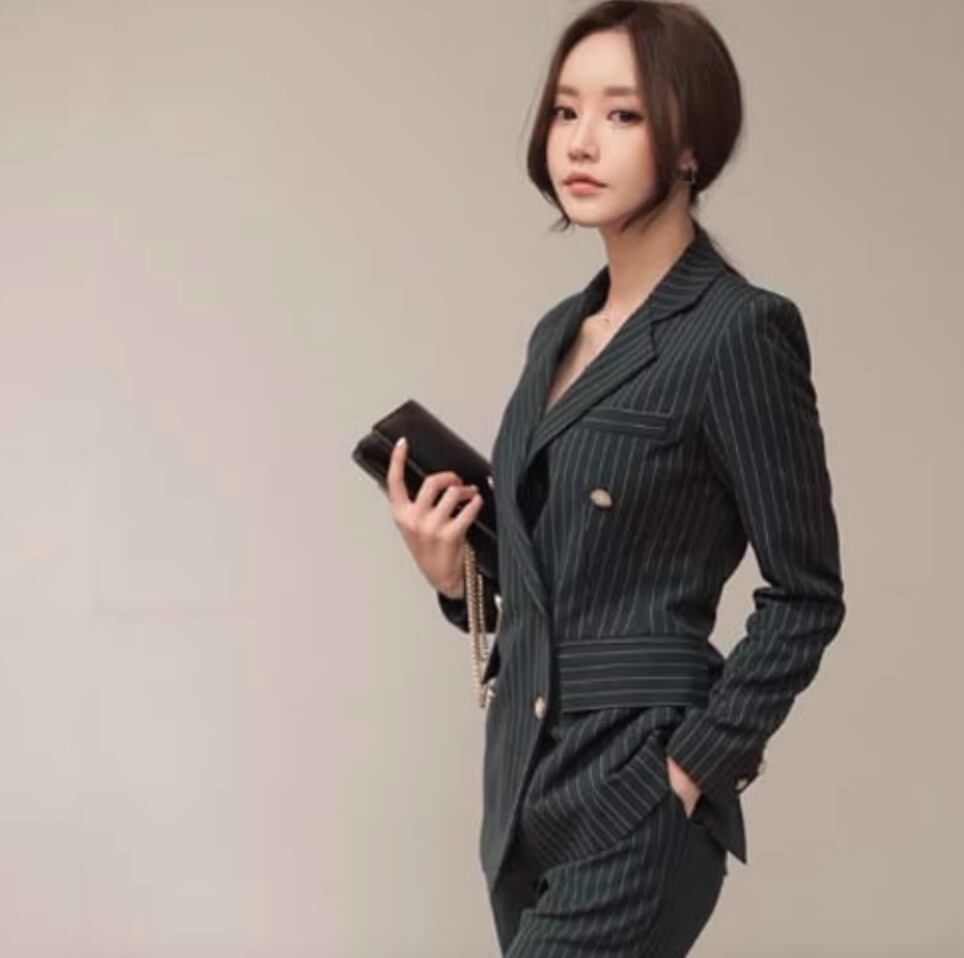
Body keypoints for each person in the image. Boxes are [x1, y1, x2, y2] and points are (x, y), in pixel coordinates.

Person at [384, 1, 846, 954]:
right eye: (565, 110)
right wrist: (455, 578)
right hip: (523, 786)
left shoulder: (737, 331)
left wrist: (693, 769)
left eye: (622, 114)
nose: (581, 141)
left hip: (639, 784)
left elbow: (807, 593)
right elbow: (567, 580)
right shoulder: (557, 333)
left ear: (691, 145)